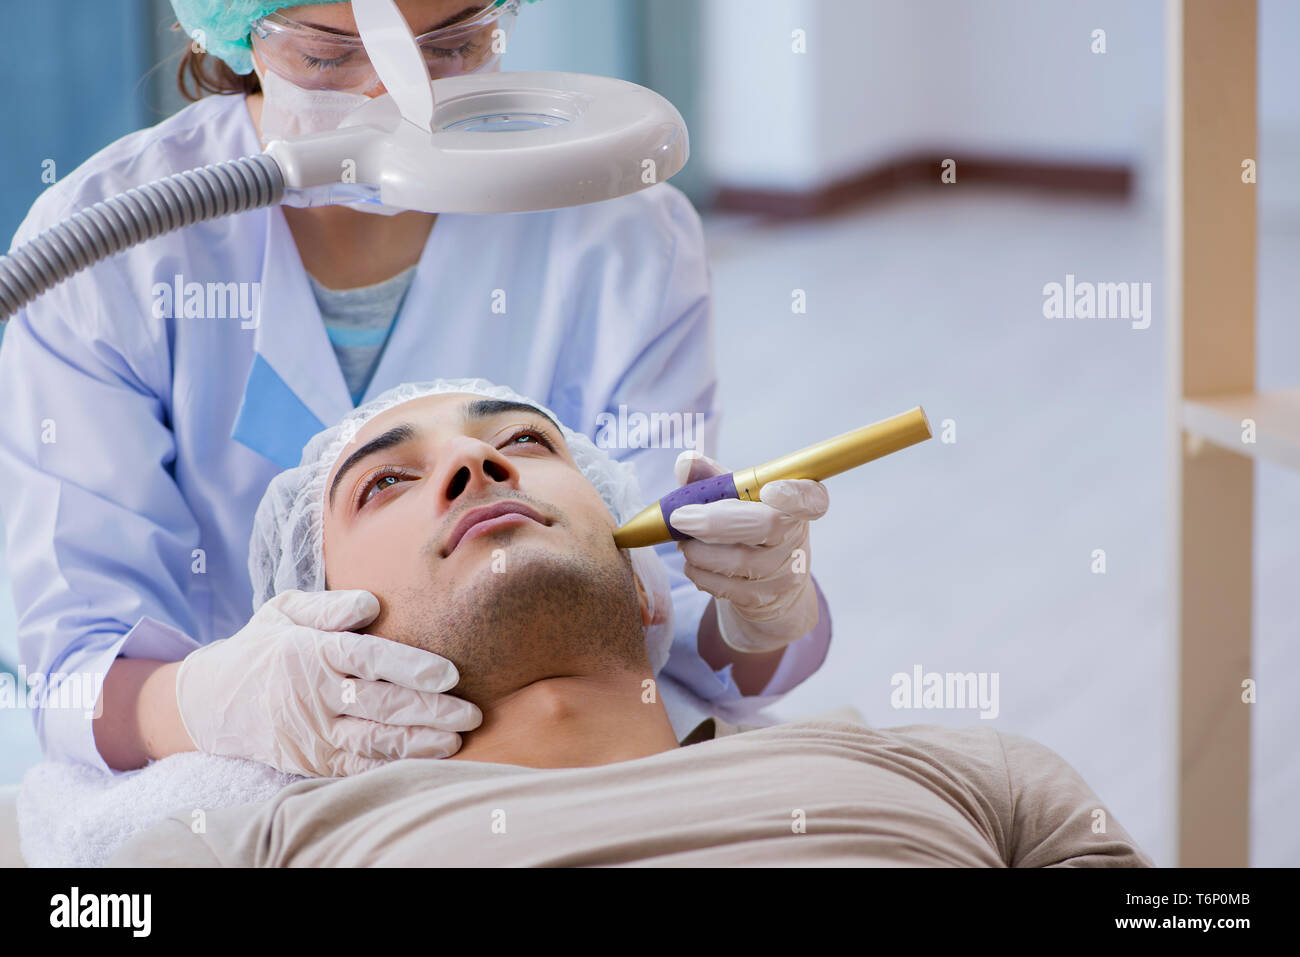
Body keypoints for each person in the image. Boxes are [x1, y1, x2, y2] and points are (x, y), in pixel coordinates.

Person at [0, 1, 833, 778]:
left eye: (451, 46)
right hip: (263, 772)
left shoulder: (620, 232)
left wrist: (757, 608)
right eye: (328, 57)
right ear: (236, 31)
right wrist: (219, 702)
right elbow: (76, 671)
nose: (396, 100)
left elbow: (666, 610)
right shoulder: (105, 250)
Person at [109, 381, 1153, 867]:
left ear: (650, 578)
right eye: (386, 484)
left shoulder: (973, 775)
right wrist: (191, 697)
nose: (479, 466)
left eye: (522, 440)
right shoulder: (255, 850)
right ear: (318, 631)